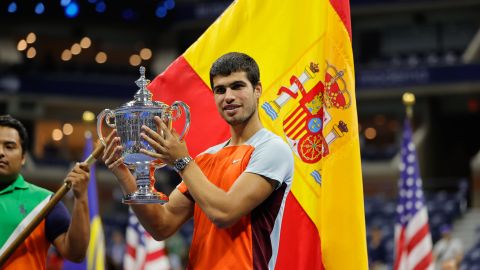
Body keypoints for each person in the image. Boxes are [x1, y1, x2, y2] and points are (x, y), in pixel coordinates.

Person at [103, 52, 294, 269]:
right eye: (220, 90)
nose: (228, 96)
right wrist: (123, 173)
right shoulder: (205, 159)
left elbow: (225, 213)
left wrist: (182, 161)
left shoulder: (272, 149)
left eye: (237, 86)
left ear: (257, 89)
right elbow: (161, 225)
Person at [0, 115, 91, 269]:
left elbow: (76, 254)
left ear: (23, 157)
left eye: (9, 146)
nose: (1, 152)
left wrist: (81, 197)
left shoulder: (45, 202)